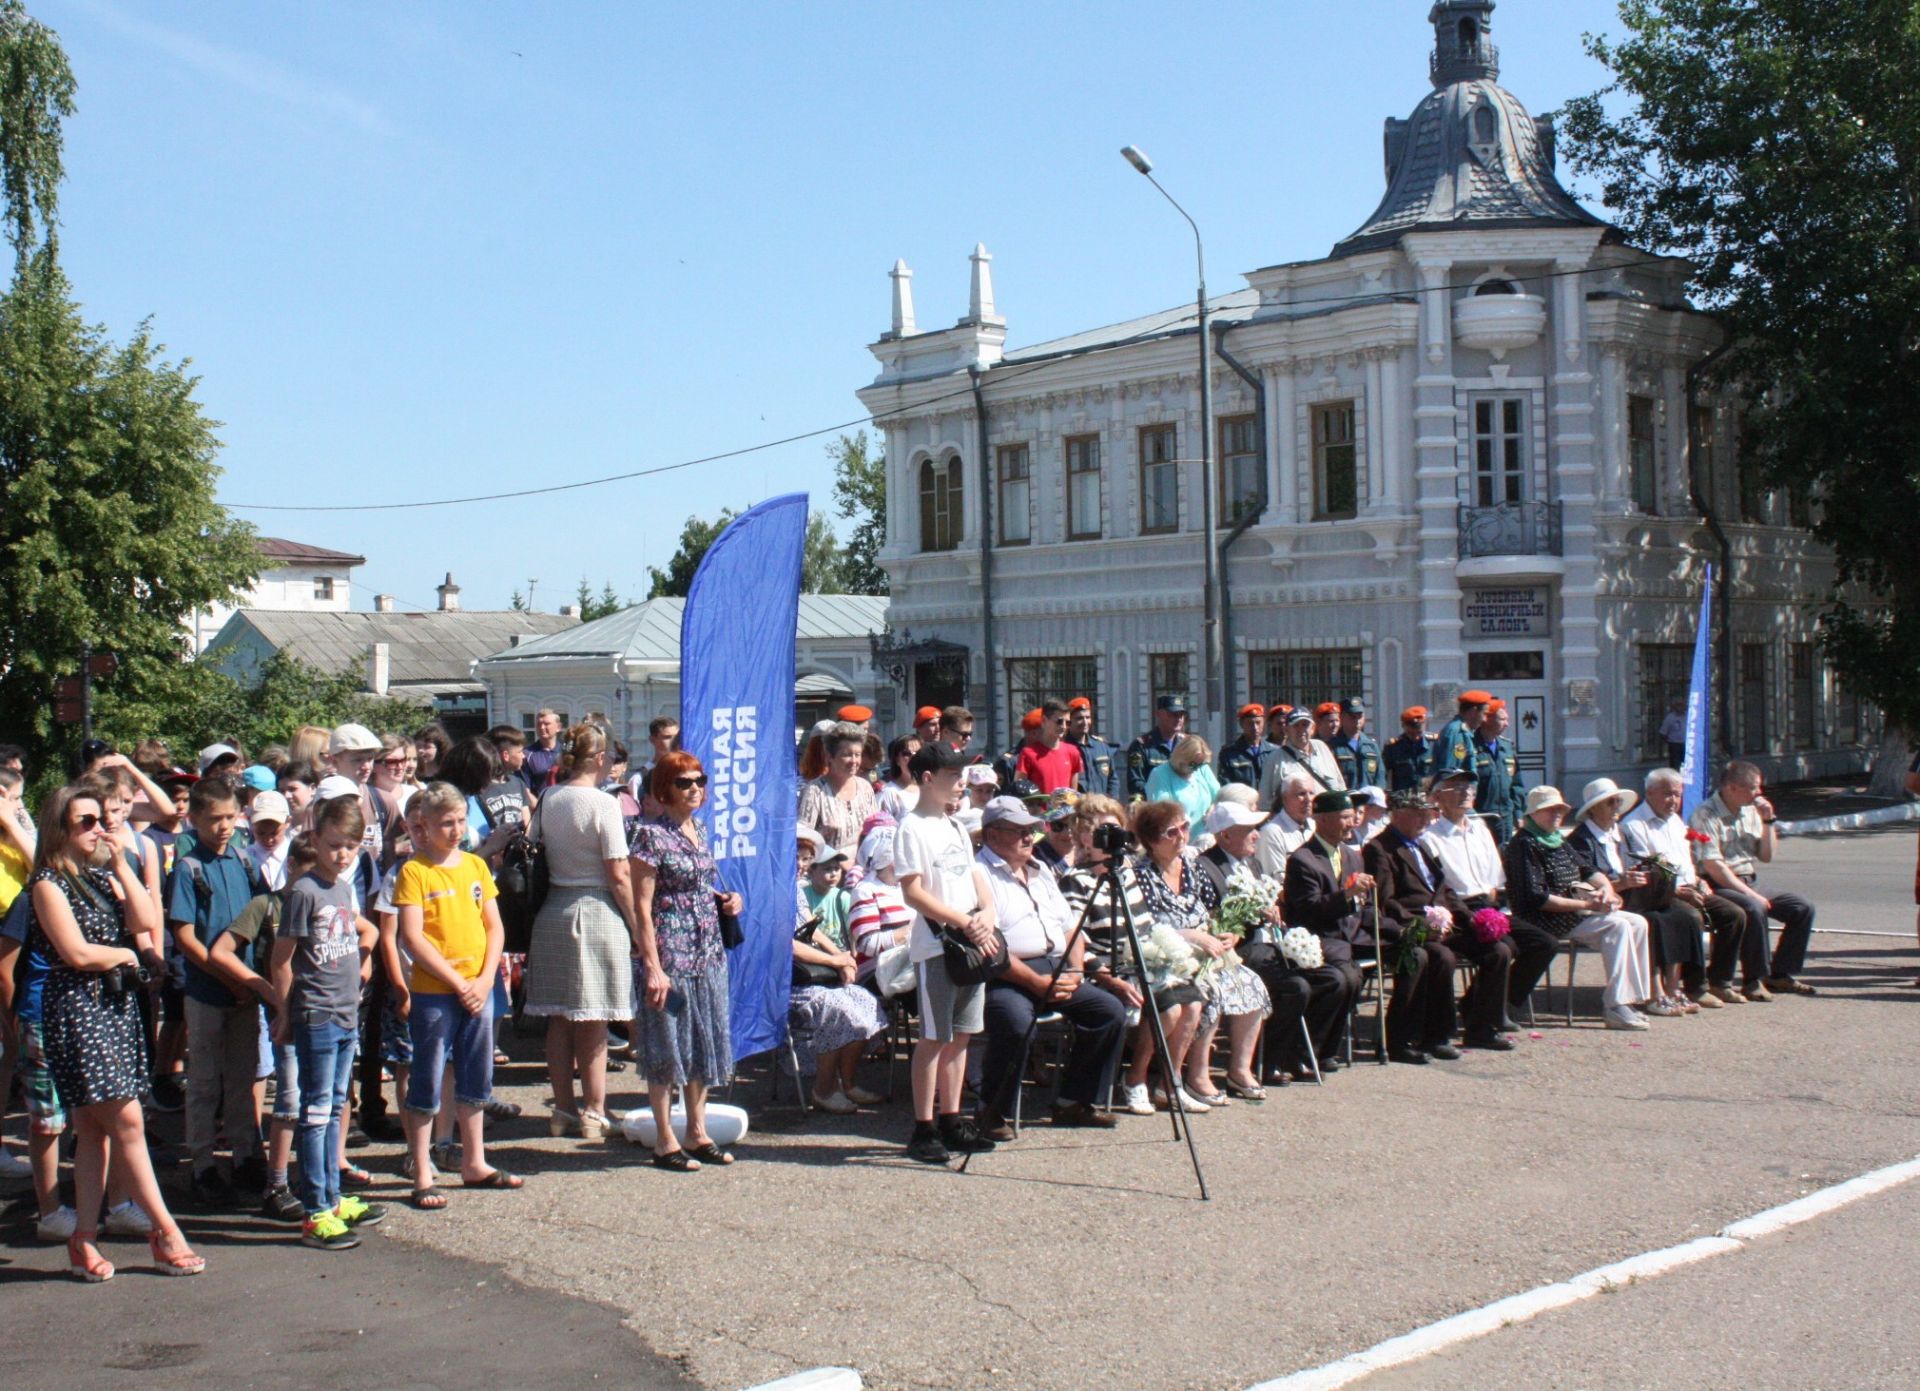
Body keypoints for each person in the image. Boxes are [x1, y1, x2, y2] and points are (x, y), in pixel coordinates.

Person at [29, 783, 204, 1280]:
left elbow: (149, 919)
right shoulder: (48, 884)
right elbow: (76, 954)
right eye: (85, 822)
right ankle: (165, 1231)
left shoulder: (99, 877)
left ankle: (84, 1239)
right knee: (127, 1124)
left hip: (116, 1009)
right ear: (59, 828)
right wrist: (128, 955)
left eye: (100, 819)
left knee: (93, 1130)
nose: (97, 829)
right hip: (78, 1011)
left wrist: (122, 864)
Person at [965, 797, 1128, 1134]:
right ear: (993, 835)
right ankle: (992, 1111)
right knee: (1015, 1023)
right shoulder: (978, 875)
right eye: (1020, 831)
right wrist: (1038, 984)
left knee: (1108, 1012)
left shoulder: (1040, 872)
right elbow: (990, 949)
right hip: (1005, 973)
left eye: (1032, 831)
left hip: (1055, 965)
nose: (1030, 838)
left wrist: (1071, 970)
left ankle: (1073, 1101)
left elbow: (1071, 928)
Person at [395, 782, 523, 1207]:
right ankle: (421, 1171)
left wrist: (485, 979)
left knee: (476, 1077)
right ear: (424, 827)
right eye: (445, 823)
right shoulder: (415, 871)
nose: (454, 830)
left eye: (459, 821)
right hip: (436, 993)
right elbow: (413, 937)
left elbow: (494, 926)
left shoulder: (474, 866)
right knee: (428, 1076)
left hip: (478, 988)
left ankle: (475, 1160)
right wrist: (457, 982)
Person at [269, 798, 383, 1249]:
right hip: (315, 1013)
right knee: (315, 1112)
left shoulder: (341, 889)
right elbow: (282, 960)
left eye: (351, 847)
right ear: (315, 840)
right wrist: (283, 1012)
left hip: (344, 1011)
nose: (342, 855)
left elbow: (356, 937)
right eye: (334, 845)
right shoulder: (303, 891)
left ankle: (333, 1198)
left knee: (336, 1105)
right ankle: (315, 1209)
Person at [524, 723, 639, 1142]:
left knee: (559, 1018)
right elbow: (618, 871)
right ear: (597, 759)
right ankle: (594, 1111)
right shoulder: (602, 803)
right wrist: (637, 924)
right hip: (596, 909)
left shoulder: (550, 797)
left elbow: (532, 845)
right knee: (593, 1018)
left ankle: (564, 1109)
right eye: (606, 755)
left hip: (552, 909)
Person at [628, 751, 740, 1170]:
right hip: (670, 958)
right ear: (665, 789)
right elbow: (642, 907)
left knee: (702, 1043)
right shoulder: (648, 836)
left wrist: (727, 900)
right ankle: (664, 1139)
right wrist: (653, 967)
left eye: (699, 780)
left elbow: (698, 885)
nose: (695, 788)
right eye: (684, 782)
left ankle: (697, 1131)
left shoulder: (700, 829)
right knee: (666, 1043)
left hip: (707, 953)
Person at [894, 742, 999, 1163]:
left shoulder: (955, 826)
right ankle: (923, 1126)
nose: (961, 784)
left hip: (971, 940)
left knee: (963, 1034)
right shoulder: (912, 827)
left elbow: (976, 874)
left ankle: (952, 1118)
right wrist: (961, 920)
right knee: (934, 1037)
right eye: (953, 776)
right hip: (938, 947)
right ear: (927, 779)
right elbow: (913, 891)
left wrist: (987, 911)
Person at [167, 777, 268, 1207]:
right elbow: (187, 938)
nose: (224, 826)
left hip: (244, 989)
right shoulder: (189, 868)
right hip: (209, 990)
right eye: (214, 819)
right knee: (205, 1081)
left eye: (231, 817)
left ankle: (246, 1155)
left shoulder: (245, 861)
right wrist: (231, 979)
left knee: (244, 1079)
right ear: (194, 819)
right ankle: (203, 1163)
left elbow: (264, 916)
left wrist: (253, 981)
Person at [1133, 799, 1270, 1107]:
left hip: (1206, 949)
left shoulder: (1192, 867)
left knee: (1250, 983)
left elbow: (1212, 910)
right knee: (1209, 992)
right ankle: (1194, 1076)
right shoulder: (1142, 874)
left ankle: (1239, 1070)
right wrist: (1193, 936)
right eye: (1172, 832)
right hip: (1166, 954)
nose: (1182, 836)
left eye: (1184, 827)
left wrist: (1228, 933)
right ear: (1152, 840)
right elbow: (1146, 927)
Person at [1503, 785, 1653, 1031]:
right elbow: (1537, 898)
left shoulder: (1557, 839)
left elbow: (1589, 870)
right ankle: (1615, 1006)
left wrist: (1605, 888)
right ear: (1533, 814)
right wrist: (1588, 904)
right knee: (1617, 927)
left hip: (1575, 911)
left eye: (1559, 809)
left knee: (1637, 922)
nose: (1556, 814)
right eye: (1549, 810)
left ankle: (1632, 999)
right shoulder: (1523, 844)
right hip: (1544, 918)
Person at [1193, 800, 1315, 1091]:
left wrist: (1271, 910)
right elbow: (1210, 918)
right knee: (1295, 987)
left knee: (1322, 978)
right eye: (1248, 829)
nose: (1256, 835)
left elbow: (1263, 901)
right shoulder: (1205, 867)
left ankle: (1293, 1054)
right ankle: (1268, 1060)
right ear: (1225, 836)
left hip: (1268, 944)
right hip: (1235, 949)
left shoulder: (1253, 862)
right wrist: (1248, 922)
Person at [1571, 777, 1700, 1018]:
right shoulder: (1581, 841)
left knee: (1682, 916)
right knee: (1654, 922)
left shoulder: (1618, 833)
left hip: (1634, 897)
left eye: (1618, 802)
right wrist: (1622, 883)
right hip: (1605, 904)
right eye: (1611, 803)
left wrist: (1647, 873)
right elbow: (1583, 887)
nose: (1617, 808)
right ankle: (1654, 993)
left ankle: (1673, 989)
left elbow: (1635, 863)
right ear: (1594, 808)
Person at [1690, 760, 1818, 999]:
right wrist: (1750, 894)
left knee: (1802, 907)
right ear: (1732, 788)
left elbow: (1766, 855)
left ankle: (1781, 974)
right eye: (1753, 787)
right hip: (1718, 883)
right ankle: (1754, 979)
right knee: (1755, 907)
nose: (1758, 793)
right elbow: (1714, 867)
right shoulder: (1706, 814)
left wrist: (1769, 821)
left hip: (1748, 879)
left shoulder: (1750, 811)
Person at [1622, 768, 1747, 1008]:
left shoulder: (1676, 822)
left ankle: (1720, 982)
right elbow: (1651, 865)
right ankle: (1695, 986)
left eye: (1678, 795)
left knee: (1734, 915)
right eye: (1668, 794)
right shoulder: (1635, 824)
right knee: (1691, 917)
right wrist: (1680, 888)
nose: (1674, 801)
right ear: (1650, 792)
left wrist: (1698, 881)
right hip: (1660, 892)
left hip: (1689, 886)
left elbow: (1684, 859)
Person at [1361, 791, 1472, 1061]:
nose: (1426, 818)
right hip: (1407, 926)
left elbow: (1442, 886)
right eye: (1418, 813)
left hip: (1441, 922)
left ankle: (1468, 1025)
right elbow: (1385, 901)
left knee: (1496, 946)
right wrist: (1422, 924)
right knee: (1437, 957)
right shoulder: (1380, 848)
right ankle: (1412, 1038)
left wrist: (1468, 918)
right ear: (1397, 816)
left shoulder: (1420, 844)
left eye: (1428, 812)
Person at [1280, 793, 1376, 1072]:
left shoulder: (1352, 856)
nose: (1351, 824)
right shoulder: (1303, 859)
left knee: (1411, 954)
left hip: (1351, 936)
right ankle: (1309, 1050)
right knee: (1343, 979)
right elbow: (1309, 909)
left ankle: (1327, 1049)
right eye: (1344, 818)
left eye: (1352, 816)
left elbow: (1362, 907)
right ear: (1322, 820)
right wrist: (1346, 895)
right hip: (1317, 937)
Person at [790, 844, 889, 1112]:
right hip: (785, 982)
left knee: (864, 1000)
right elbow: (786, 943)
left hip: (812, 973)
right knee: (838, 1009)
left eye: (805, 859)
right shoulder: (768, 890)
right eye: (797, 858)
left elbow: (809, 929)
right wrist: (834, 960)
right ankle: (823, 1089)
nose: (801, 864)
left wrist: (844, 958)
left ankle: (848, 1083)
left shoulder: (793, 890)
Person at [798, 722, 879, 863]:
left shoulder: (865, 787)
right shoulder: (814, 791)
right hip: (828, 873)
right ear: (830, 756)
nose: (854, 761)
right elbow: (803, 841)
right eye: (847, 755)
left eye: (857, 755)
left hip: (863, 871)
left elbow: (875, 830)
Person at [1259, 707, 1345, 808]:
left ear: (1312, 729)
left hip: (1328, 819)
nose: (1301, 730)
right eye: (1296, 726)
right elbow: (1264, 801)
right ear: (1287, 730)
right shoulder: (1274, 759)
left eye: (1305, 725)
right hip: (1294, 821)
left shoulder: (1322, 748)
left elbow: (1340, 785)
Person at [1145, 734, 1222, 835]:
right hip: (1178, 840)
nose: (1197, 768)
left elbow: (1220, 796)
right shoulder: (1159, 774)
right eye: (1193, 764)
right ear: (1181, 758)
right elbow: (1163, 812)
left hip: (1207, 839)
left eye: (1201, 764)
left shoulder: (1202, 769)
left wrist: (1213, 808)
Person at [1474, 701, 1525, 843]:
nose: (1507, 724)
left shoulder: (1507, 747)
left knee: (1505, 858)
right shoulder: (1470, 746)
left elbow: (1516, 784)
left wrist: (1519, 813)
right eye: (1502, 719)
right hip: (1482, 817)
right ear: (1487, 719)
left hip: (1505, 817)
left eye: (1507, 719)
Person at [1251, 773, 1316, 878]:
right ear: (1285, 798)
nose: (1308, 799)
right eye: (1301, 794)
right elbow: (1276, 879)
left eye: (1312, 793)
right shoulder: (1271, 833)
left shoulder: (1315, 827)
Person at [1014, 699, 1085, 794]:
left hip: (1064, 808)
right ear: (1044, 721)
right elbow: (1018, 790)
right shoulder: (1028, 754)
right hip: (1038, 808)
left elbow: (1073, 793)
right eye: (1059, 721)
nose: (1063, 726)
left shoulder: (1073, 752)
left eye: (1067, 723)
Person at [1124, 695, 1187, 799]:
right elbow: (1135, 783)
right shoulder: (1142, 746)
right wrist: (1163, 793)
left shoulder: (1186, 745)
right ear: (1159, 714)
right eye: (1173, 714)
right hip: (1154, 807)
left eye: (1181, 715)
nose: (1178, 719)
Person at [1065, 697, 1124, 800]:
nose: (1085, 722)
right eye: (1079, 718)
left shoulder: (1101, 747)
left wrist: (1112, 801)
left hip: (1102, 807)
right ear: (1069, 721)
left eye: (1087, 717)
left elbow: (1112, 779)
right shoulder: (1065, 748)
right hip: (1079, 809)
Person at [1433, 690, 1493, 779]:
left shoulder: (1466, 732)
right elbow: (1450, 773)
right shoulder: (1457, 733)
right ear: (1473, 711)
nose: (1485, 719)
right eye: (1484, 714)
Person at [1327, 699, 1384, 791]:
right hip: (1346, 800)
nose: (1357, 721)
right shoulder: (1332, 746)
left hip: (1368, 801)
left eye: (1360, 717)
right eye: (1352, 717)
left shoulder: (1371, 746)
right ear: (1342, 717)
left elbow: (1380, 777)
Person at [1217, 704, 1275, 793]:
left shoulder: (1273, 751)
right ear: (1241, 724)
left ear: (1264, 724)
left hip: (1268, 804)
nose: (1255, 727)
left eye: (1258, 722)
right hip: (1242, 803)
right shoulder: (1229, 753)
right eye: (1250, 723)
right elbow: (1226, 784)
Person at [1383, 707, 1438, 792]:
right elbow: (1383, 775)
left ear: (1425, 725)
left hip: (1429, 798)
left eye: (1419, 733)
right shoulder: (1393, 747)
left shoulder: (1435, 744)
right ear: (1403, 726)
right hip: (1403, 799)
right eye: (1411, 733)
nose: (1416, 737)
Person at [875, 733, 921, 823]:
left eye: (918, 753)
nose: (913, 757)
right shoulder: (888, 793)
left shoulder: (932, 789)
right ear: (897, 760)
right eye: (906, 754)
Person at [524, 709, 564, 790]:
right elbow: (525, 789)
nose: (542, 727)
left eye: (547, 724)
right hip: (540, 801)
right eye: (539, 724)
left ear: (558, 727)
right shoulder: (527, 754)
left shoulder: (566, 752)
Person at [1660, 700, 1687, 770]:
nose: (1680, 708)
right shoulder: (1670, 718)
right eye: (1678, 705)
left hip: (1686, 745)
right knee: (1675, 765)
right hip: (1674, 745)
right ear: (1675, 707)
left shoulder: (1688, 716)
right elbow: (1663, 732)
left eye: (1682, 705)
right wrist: (1668, 742)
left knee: (1686, 765)